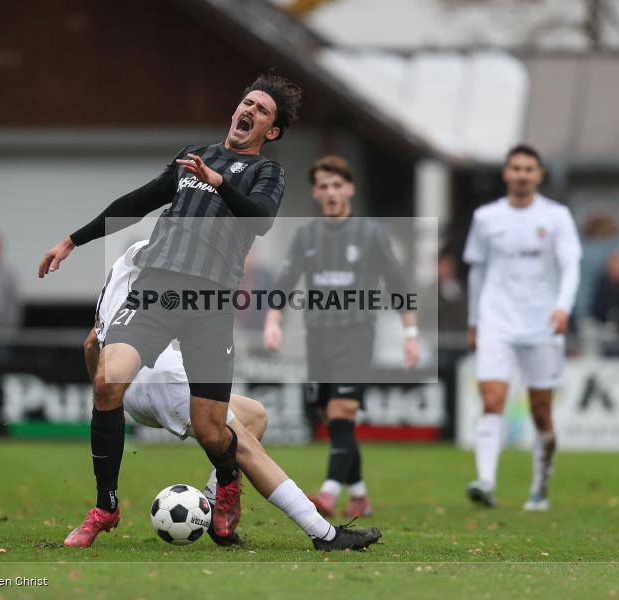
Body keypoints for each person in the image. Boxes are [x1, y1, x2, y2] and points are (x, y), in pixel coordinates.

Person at [40, 74, 378, 549]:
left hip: (209, 304)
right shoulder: (191, 157)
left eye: (262, 111)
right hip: (157, 290)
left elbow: (259, 221)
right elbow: (136, 202)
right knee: (108, 378)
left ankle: (226, 479)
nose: (250, 111)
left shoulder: (267, 173)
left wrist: (217, 182)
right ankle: (106, 506)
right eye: (248, 102)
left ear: (271, 131)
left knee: (212, 429)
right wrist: (72, 240)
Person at [66, 241, 382, 551]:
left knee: (255, 415)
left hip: (132, 389)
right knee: (244, 447)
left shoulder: (122, 273)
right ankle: (322, 532)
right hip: (166, 380)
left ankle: (218, 501)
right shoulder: (180, 260)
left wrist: (111, 405)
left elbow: (91, 344)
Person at [262, 155, 420, 519]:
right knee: (334, 420)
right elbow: (284, 282)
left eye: (337, 185)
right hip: (318, 337)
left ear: (350, 189)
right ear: (316, 193)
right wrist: (274, 321)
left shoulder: (371, 234)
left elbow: (398, 284)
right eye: (324, 186)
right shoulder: (306, 235)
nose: (331, 192)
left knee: (341, 411)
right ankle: (360, 495)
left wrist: (410, 334)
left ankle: (329, 494)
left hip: (357, 334)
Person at [463, 144, 581, 511]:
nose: (522, 174)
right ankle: (486, 480)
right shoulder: (486, 217)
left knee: (541, 409)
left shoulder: (557, 216)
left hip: (543, 323)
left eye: (529, 168)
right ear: (505, 173)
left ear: (539, 174)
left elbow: (570, 266)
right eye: (516, 168)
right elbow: (477, 271)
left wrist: (563, 308)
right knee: (493, 400)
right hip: (497, 319)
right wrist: (474, 320)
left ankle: (540, 486)